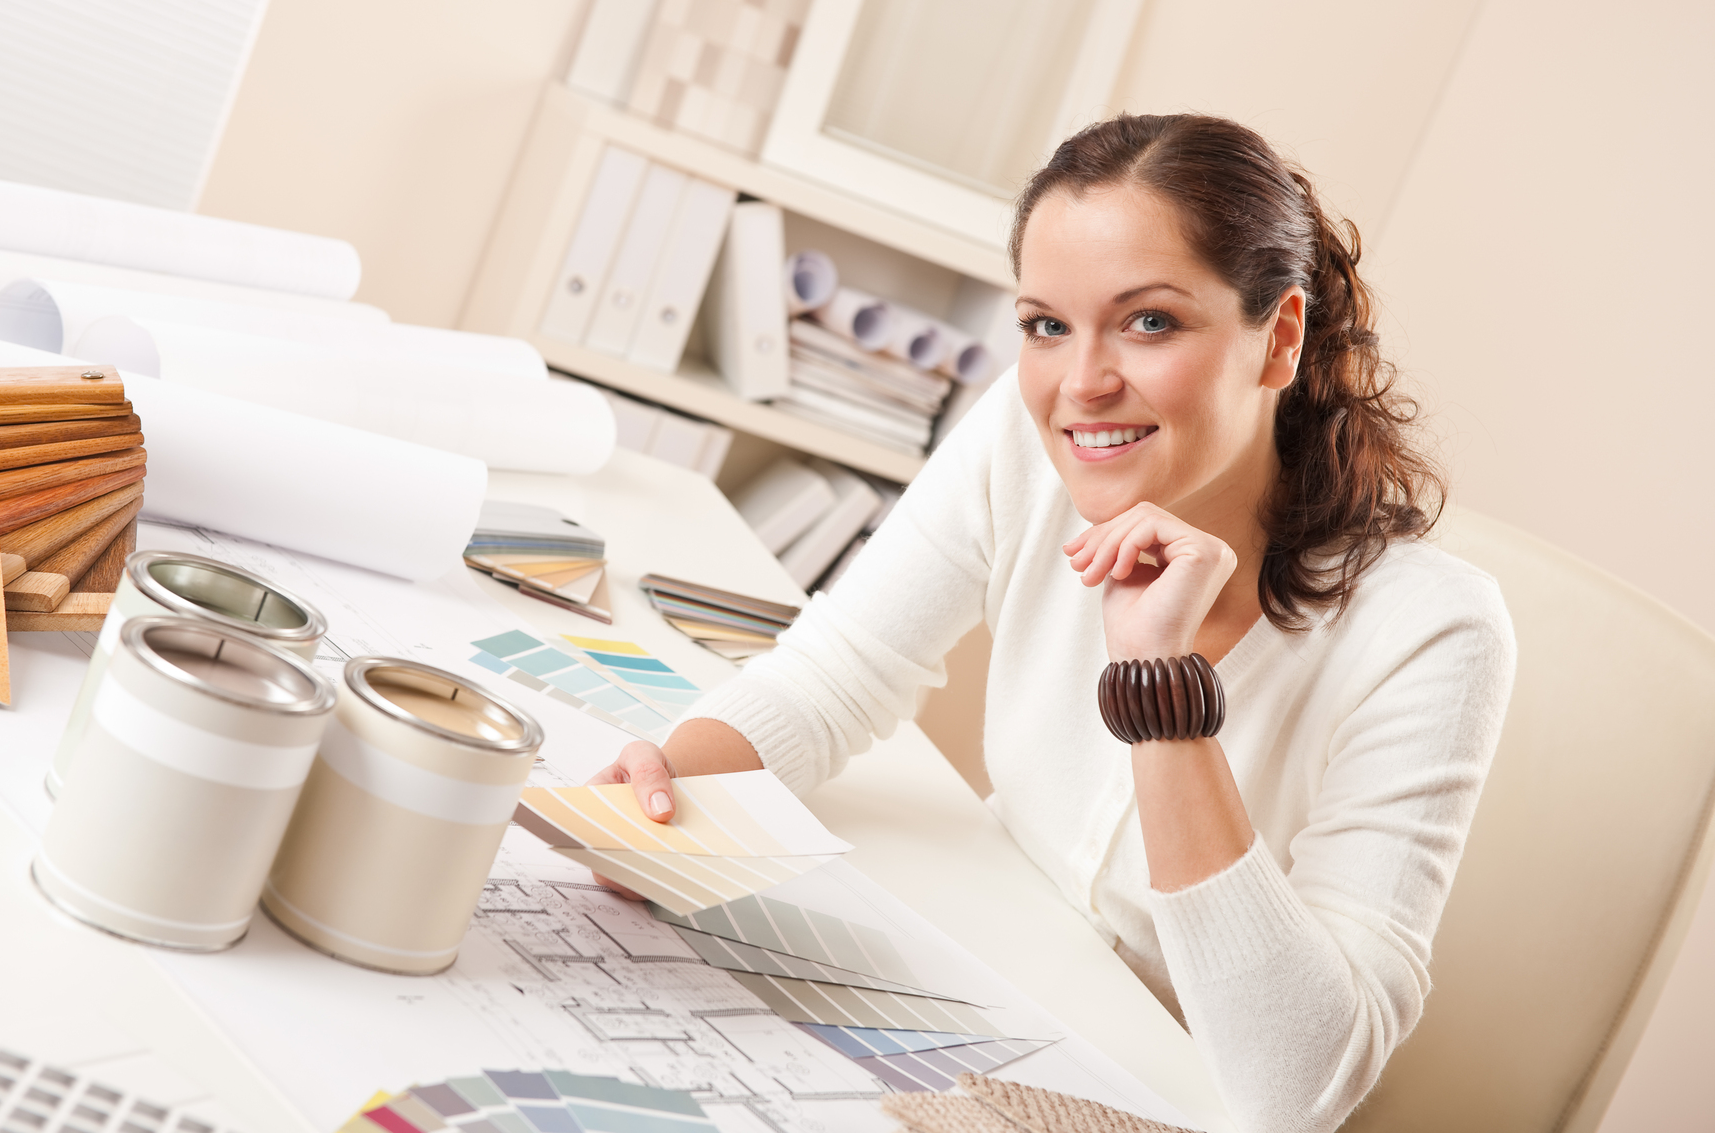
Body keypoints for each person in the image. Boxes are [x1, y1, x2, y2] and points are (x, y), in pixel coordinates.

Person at [592, 114, 1515, 1132]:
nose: (1082, 385)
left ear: (1279, 337)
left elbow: (1297, 1087)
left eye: (1150, 322)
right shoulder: (1030, 442)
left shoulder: (1432, 631)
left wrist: (1162, 694)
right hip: (972, 1006)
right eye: (1044, 325)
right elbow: (842, 671)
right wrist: (671, 787)